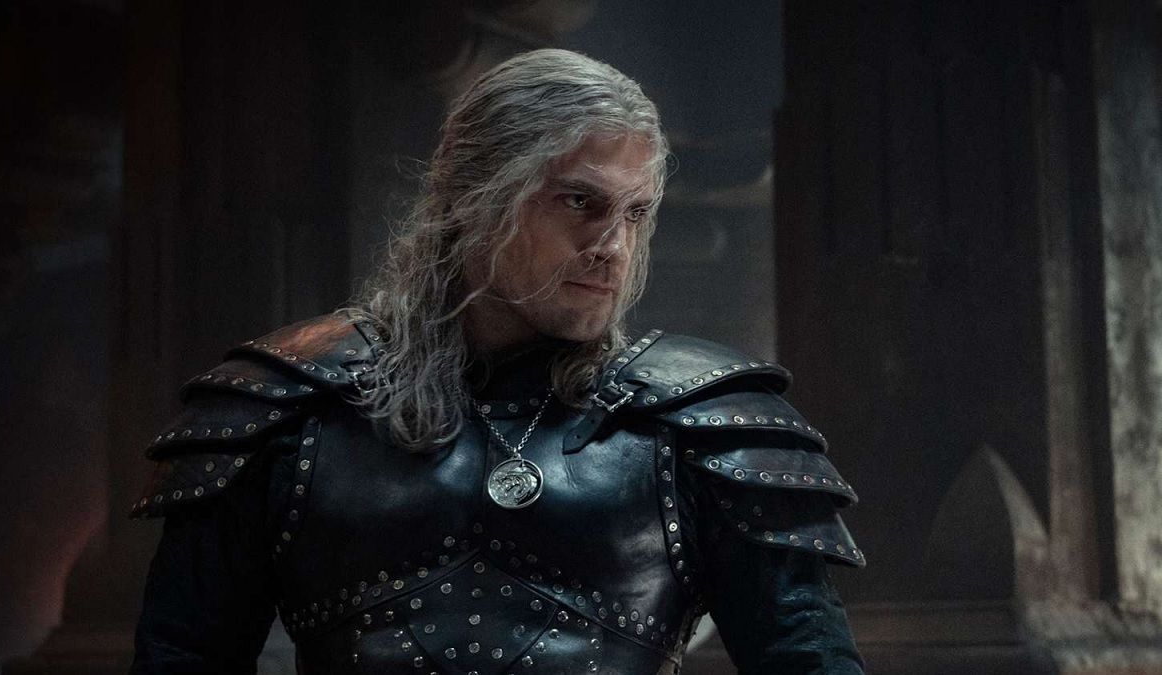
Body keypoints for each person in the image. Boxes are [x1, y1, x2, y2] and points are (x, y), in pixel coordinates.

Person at [129, 48, 865, 675]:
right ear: (474, 194)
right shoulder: (287, 405)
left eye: (634, 212)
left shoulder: (703, 423)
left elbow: (808, 660)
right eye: (579, 202)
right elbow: (182, 657)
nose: (612, 246)